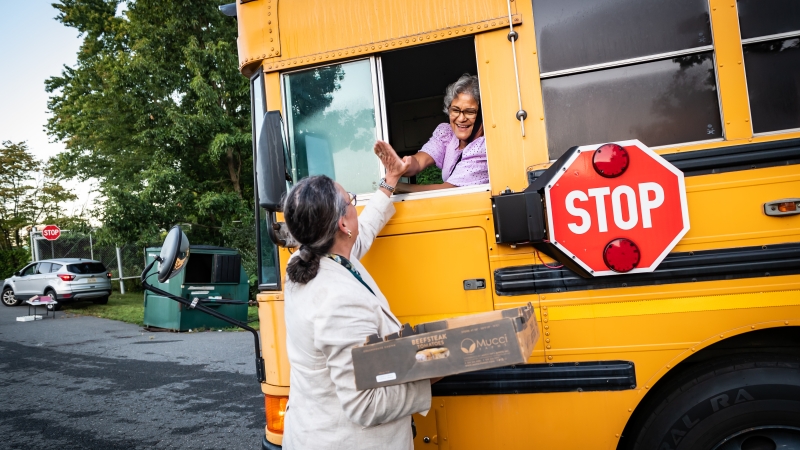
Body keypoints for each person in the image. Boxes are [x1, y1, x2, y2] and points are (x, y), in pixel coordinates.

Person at [281, 147, 434, 450]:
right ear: (342, 224)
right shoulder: (338, 302)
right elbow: (364, 405)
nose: (354, 203)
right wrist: (431, 374)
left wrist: (390, 180)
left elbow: (358, 239)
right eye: (351, 200)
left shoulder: (307, 260)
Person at [381, 73, 487, 193]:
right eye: (455, 110)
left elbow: (450, 190)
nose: (461, 118)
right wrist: (401, 166)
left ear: (482, 115)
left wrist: (398, 187)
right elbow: (420, 160)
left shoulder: (484, 147)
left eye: (470, 112)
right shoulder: (447, 134)